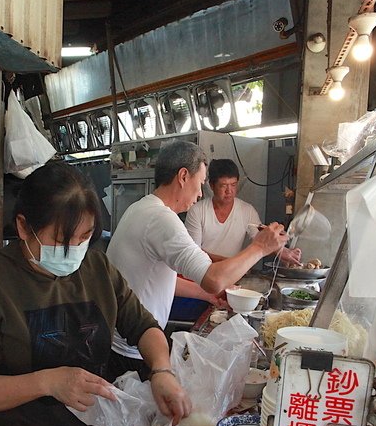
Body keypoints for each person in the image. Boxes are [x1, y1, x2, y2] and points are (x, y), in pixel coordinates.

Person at [0, 162, 189, 426]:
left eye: (85, 237)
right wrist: (48, 382)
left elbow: (143, 325)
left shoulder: (96, 266)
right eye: (63, 239)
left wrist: (162, 370)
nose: (75, 249)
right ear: (23, 226)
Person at [107, 141, 288, 376]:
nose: (201, 193)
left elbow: (157, 279)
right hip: (132, 348)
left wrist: (207, 295)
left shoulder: (141, 209)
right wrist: (260, 247)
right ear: (183, 176)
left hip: (125, 339)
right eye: (200, 183)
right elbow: (213, 278)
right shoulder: (161, 219)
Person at [185, 158, 302, 265]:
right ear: (212, 185)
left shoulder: (247, 211)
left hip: (233, 273)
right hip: (202, 273)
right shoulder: (197, 211)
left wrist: (282, 251)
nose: (229, 191)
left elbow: (260, 238)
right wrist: (229, 262)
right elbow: (194, 252)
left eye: (233, 185)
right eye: (223, 186)